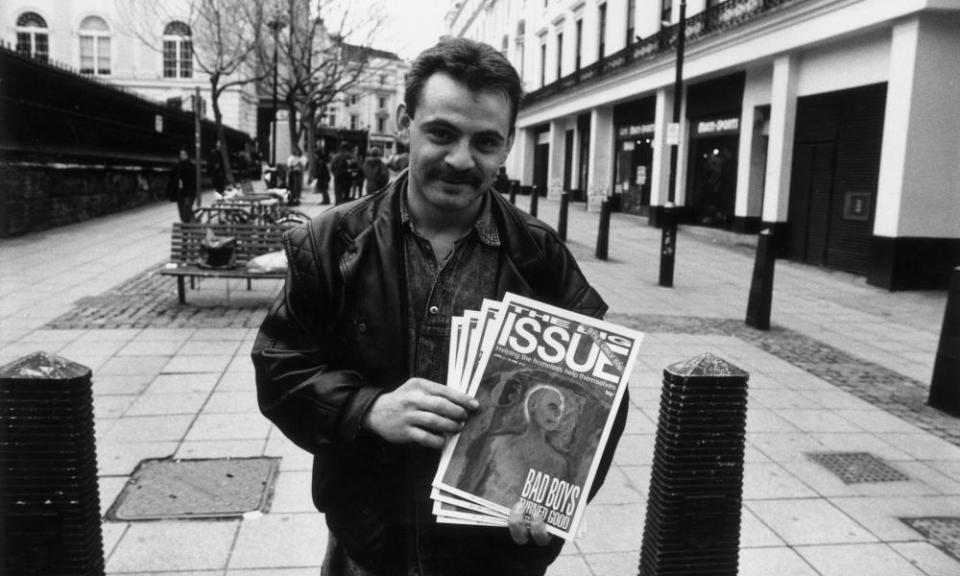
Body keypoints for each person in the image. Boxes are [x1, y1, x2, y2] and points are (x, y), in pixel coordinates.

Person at [252, 38, 626, 576]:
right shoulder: (331, 243)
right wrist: (366, 408)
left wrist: (552, 499)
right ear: (406, 123)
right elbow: (279, 369)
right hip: (369, 545)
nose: (460, 159)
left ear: (507, 145)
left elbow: (604, 397)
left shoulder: (538, 254)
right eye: (442, 133)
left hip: (490, 554)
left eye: (485, 142)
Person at [467, 385, 570, 509]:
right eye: (552, 407)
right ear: (532, 406)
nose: (558, 414)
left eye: (560, 409)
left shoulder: (559, 464)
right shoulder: (499, 443)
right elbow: (471, 487)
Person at [167, 148, 197, 223]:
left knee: (187, 208)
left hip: (189, 192)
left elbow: (194, 180)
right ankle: (186, 225)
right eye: (181, 154)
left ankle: (190, 223)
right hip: (180, 193)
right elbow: (172, 179)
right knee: (181, 210)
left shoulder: (191, 166)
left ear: (187, 155)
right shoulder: (176, 166)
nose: (182, 156)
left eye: (184, 154)